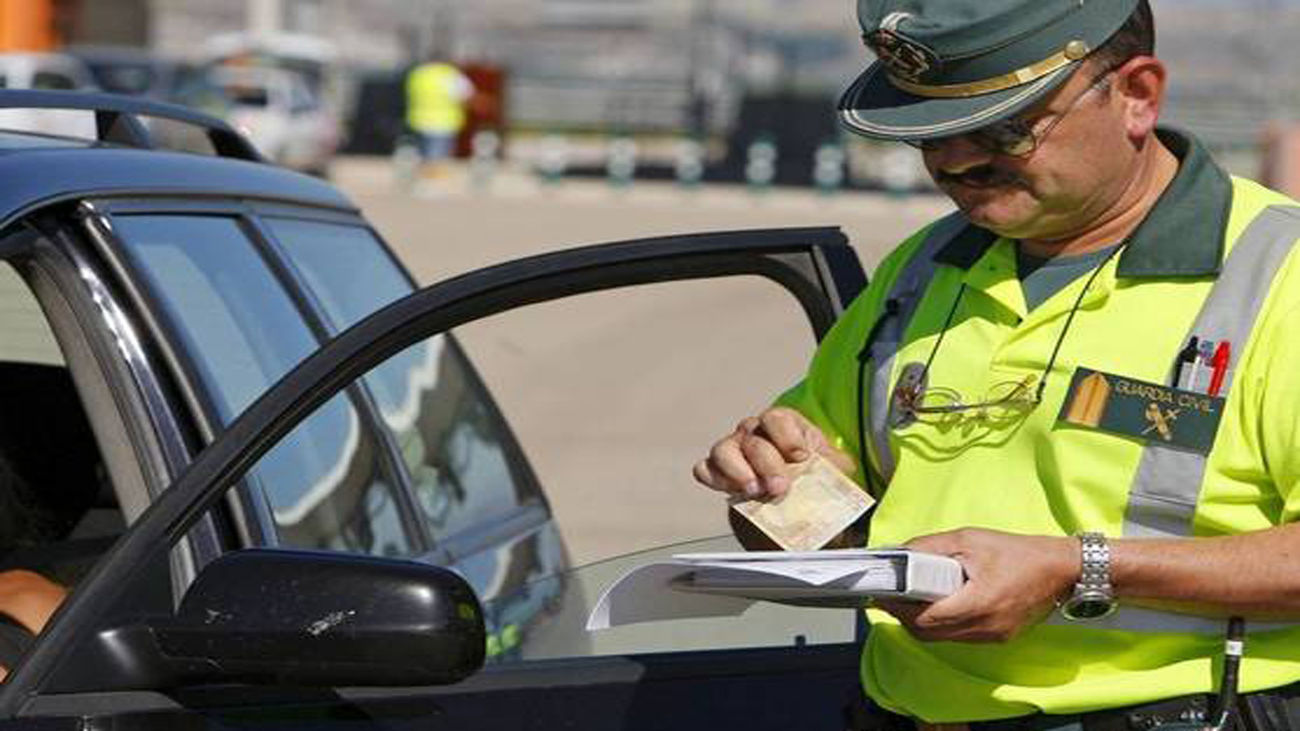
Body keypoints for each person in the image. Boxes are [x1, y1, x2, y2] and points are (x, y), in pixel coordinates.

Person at [694, 0, 1300, 725]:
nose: (956, 162)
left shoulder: (1277, 277)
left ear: (1136, 95)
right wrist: (771, 486)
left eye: (1005, 128)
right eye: (931, 134)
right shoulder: (922, 271)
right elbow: (816, 527)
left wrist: (1079, 568)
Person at [404, 52, 475, 177]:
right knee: (438, 151)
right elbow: (466, 94)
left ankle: (421, 173)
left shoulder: (419, 74)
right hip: (443, 120)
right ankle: (432, 176)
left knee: (424, 150)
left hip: (420, 119)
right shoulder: (449, 75)